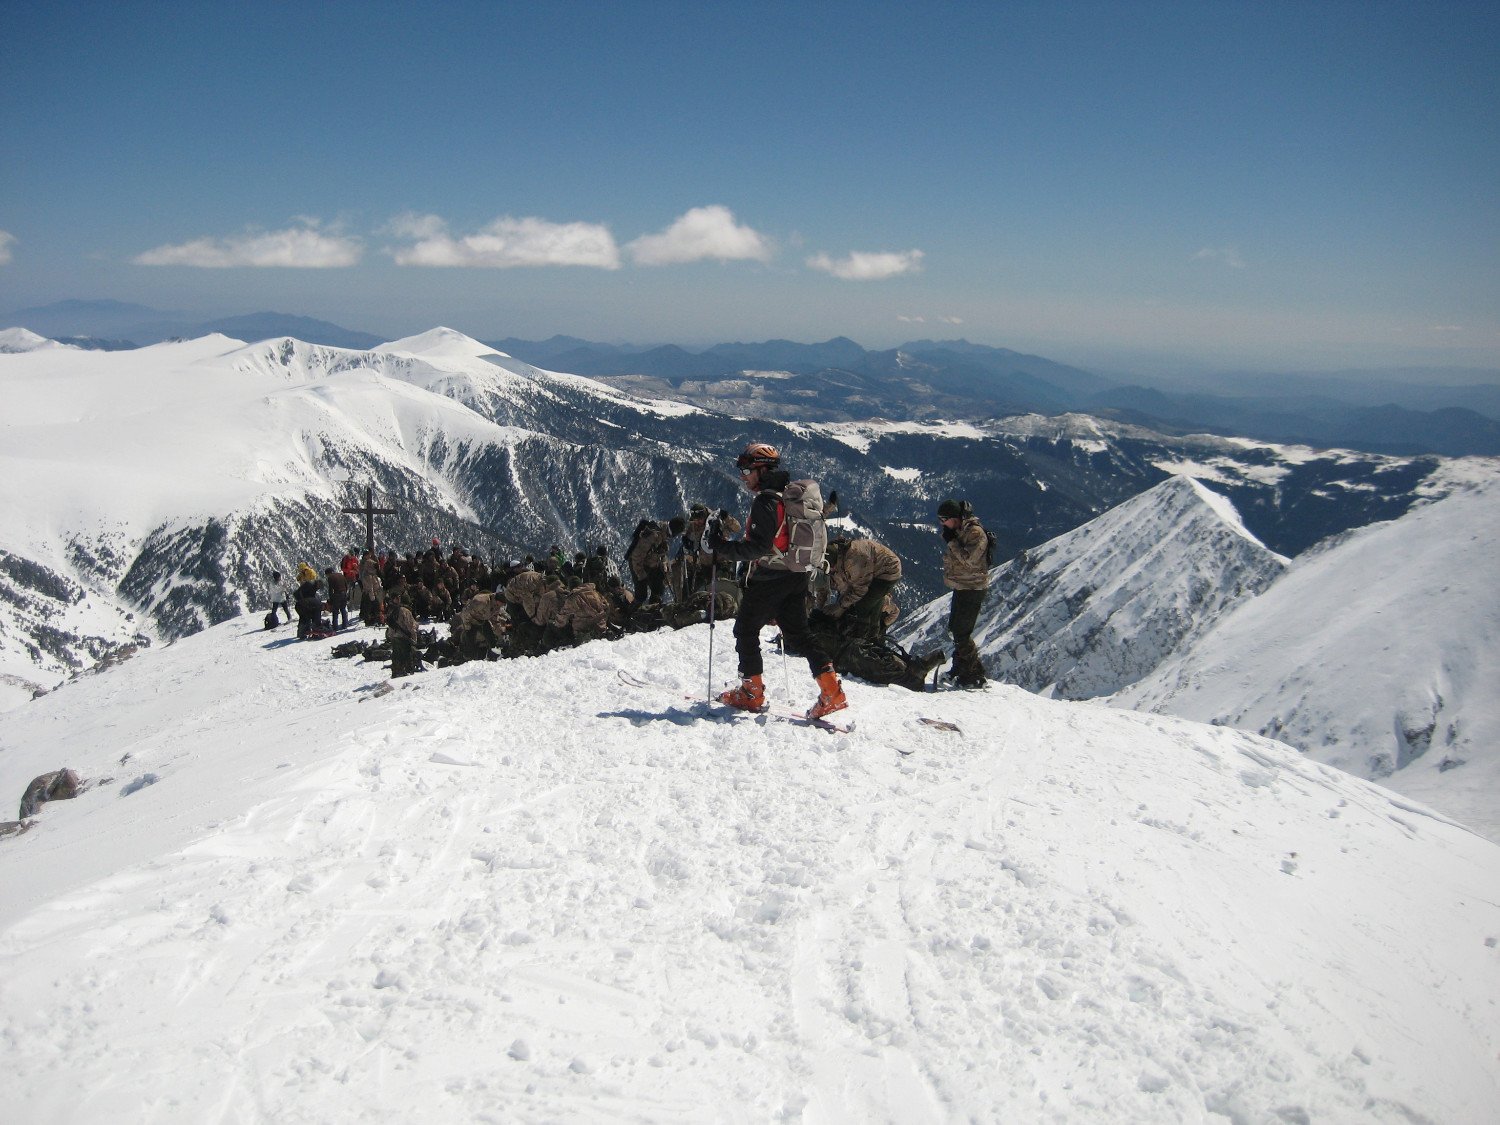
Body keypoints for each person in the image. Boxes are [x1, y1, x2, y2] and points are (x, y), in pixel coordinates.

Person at [708, 442, 846, 720]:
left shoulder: (766, 501)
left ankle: (751, 692)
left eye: (746, 470)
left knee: (745, 630)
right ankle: (831, 690)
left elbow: (757, 548)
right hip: (796, 574)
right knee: (799, 634)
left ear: (761, 469)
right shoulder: (787, 495)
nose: (742, 476)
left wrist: (720, 546)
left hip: (771, 576)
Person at [937, 497, 991, 688]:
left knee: (962, 632)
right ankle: (960, 668)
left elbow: (969, 559)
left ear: (955, 517)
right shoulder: (961, 531)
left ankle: (974, 675)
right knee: (955, 629)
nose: (942, 524)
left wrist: (952, 542)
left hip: (973, 588)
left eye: (944, 519)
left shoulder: (975, 533)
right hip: (962, 585)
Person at [293, 563, 324, 640]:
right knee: (308, 617)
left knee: (304, 618)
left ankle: (302, 633)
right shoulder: (310, 584)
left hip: (302, 602)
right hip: (305, 601)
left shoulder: (309, 575)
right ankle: (313, 632)